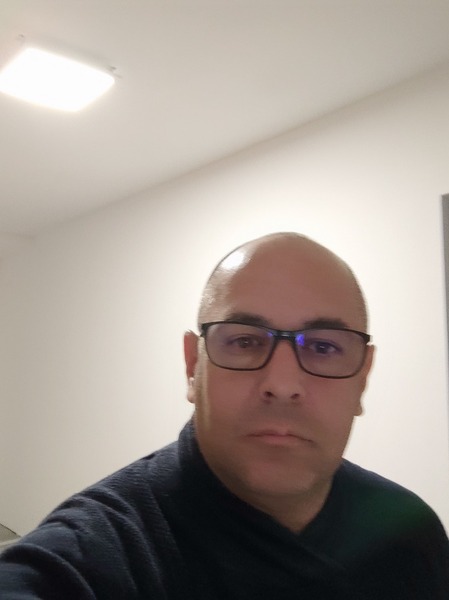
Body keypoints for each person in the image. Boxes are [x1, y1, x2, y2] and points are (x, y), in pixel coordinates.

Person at [0, 232, 448, 599]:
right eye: (244, 341)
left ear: (363, 378)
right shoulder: (96, 554)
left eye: (324, 346)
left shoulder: (408, 529)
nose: (282, 383)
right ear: (192, 366)